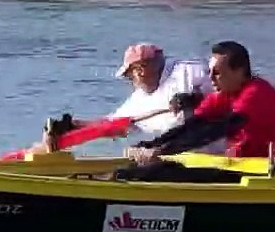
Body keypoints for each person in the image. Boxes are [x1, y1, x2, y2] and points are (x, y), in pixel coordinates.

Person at [112, 40, 275, 182]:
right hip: (244, 166)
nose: (211, 78)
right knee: (155, 168)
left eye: (217, 73)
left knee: (162, 172)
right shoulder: (225, 93)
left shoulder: (257, 94)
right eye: (210, 71)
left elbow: (214, 132)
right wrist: (150, 143)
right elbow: (193, 126)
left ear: (239, 71)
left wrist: (161, 151)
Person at [37, 42, 216, 153]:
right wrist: (71, 126)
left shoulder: (190, 71)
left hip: (216, 157)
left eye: (129, 76)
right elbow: (112, 126)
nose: (131, 81)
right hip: (177, 157)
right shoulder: (139, 101)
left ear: (140, 70)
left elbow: (226, 92)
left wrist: (197, 98)